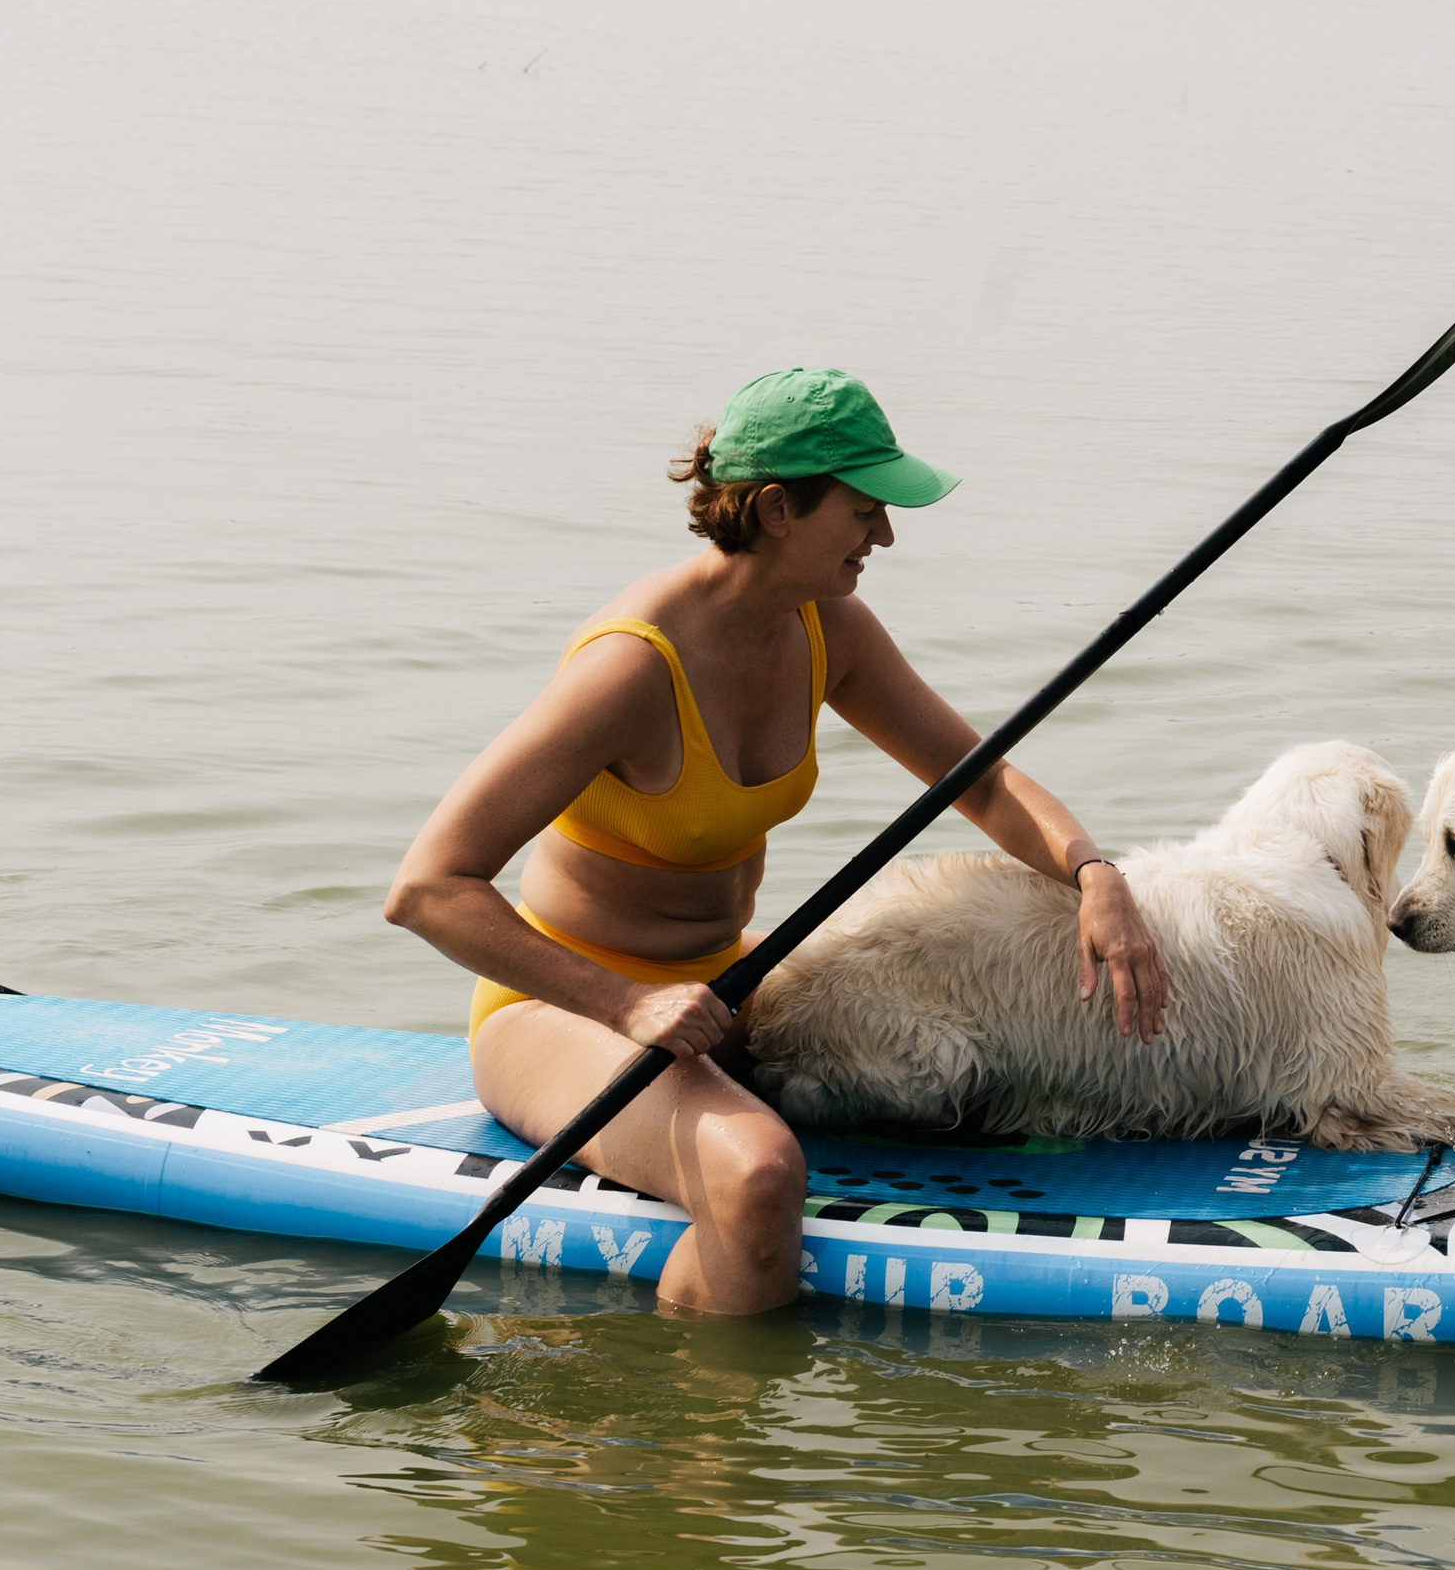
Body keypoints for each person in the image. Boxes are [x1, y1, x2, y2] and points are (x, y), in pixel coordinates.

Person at [385, 368, 1171, 1315]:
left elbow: (986, 779)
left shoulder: (824, 626)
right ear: (774, 510)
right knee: (760, 1175)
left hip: (725, 988)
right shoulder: (630, 667)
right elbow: (428, 887)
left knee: (969, 1055)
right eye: (865, 508)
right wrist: (627, 1003)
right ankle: (678, 1429)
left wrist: (1095, 874)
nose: (884, 533)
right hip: (565, 1008)